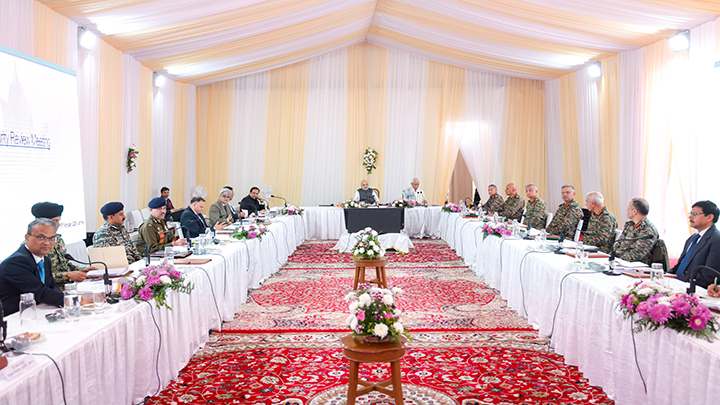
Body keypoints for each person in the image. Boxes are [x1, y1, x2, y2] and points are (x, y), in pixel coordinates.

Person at [0, 219, 64, 315]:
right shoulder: (15, 262)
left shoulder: (45, 260)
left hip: (37, 311)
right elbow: (39, 292)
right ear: (27, 237)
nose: (47, 243)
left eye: (51, 238)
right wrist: (74, 300)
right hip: (15, 316)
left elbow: (52, 286)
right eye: (41, 237)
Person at [31, 202, 87, 286]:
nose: (58, 224)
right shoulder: (33, 245)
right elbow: (38, 277)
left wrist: (82, 270)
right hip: (48, 291)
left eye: (58, 221)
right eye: (55, 221)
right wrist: (68, 276)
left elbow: (64, 264)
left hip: (67, 287)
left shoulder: (58, 239)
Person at [670, 200, 720, 288]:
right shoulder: (692, 238)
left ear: (709, 217)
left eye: (694, 214)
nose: (690, 217)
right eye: (691, 213)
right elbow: (680, 267)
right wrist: (665, 274)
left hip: (696, 288)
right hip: (678, 284)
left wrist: (681, 282)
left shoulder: (716, 239)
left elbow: (709, 275)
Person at [612, 198, 659, 263]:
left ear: (634, 211)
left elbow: (637, 254)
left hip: (635, 265)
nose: (627, 210)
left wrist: (618, 259)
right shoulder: (629, 225)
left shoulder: (648, 230)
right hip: (620, 262)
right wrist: (613, 256)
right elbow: (619, 243)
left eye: (629, 208)